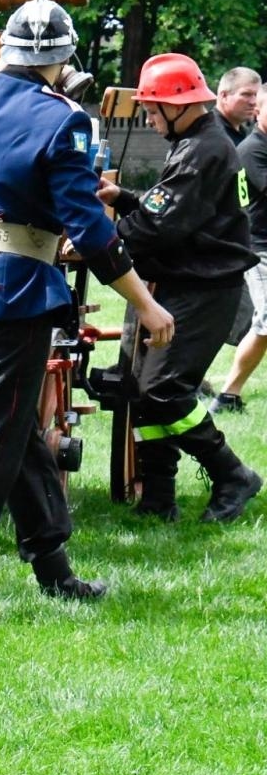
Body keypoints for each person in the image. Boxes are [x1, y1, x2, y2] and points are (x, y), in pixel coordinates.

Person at [0, 0, 174, 602]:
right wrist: (144, 302)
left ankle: (54, 570)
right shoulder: (63, 120)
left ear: (9, 52)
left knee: (15, 425)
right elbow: (88, 229)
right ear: (61, 61)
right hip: (16, 290)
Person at [96, 53, 261, 522]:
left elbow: (161, 227)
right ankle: (158, 498)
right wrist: (126, 199)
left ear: (180, 105)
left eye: (153, 109)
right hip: (187, 280)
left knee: (164, 391)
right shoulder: (195, 141)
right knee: (143, 389)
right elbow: (181, 210)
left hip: (204, 288)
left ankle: (232, 475)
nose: (149, 118)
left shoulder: (201, 148)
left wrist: (98, 238)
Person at [213, 99, 267, 413]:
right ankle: (228, 394)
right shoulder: (252, 150)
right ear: (258, 110)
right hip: (260, 249)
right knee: (264, 324)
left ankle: (229, 394)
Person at [214, 67, 259, 144]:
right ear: (224, 96)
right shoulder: (211, 135)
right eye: (246, 94)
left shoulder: (241, 132)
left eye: (256, 95)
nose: (254, 102)